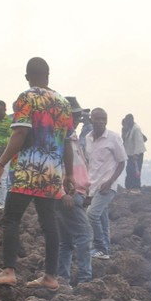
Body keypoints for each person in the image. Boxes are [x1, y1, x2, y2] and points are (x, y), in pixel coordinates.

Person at [0, 57, 74, 291]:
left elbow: (20, 134)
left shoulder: (26, 98)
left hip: (27, 170)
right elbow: (68, 143)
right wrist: (69, 174)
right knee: (49, 223)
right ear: (48, 75)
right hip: (51, 173)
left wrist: (1, 163)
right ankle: (51, 276)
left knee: (12, 219)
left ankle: (8, 271)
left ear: (27, 77)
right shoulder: (63, 103)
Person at [57, 97, 94, 285]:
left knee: (66, 242)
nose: (80, 118)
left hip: (76, 194)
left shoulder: (72, 137)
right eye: (76, 115)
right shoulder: (60, 138)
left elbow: (80, 167)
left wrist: (86, 192)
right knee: (84, 236)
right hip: (68, 196)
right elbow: (53, 168)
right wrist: (64, 193)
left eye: (80, 115)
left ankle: (63, 280)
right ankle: (85, 281)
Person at [85, 107, 126, 261]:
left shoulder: (113, 138)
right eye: (97, 118)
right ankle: (106, 250)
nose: (101, 121)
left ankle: (100, 248)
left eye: (104, 119)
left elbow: (122, 162)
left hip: (107, 186)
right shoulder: (88, 138)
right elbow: (91, 164)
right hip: (94, 185)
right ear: (91, 120)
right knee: (101, 218)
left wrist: (110, 182)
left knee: (91, 214)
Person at [121, 113, 146, 191]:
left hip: (136, 154)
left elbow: (138, 141)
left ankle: (136, 187)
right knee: (129, 169)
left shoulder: (136, 129)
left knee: (136, 170)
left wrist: (136, 154)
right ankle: (129, 186)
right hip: (130, 153)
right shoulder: (129, 129)